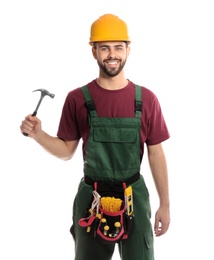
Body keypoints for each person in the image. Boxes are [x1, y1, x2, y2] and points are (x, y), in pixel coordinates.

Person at [20, 13, 170, 260]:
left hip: (134, 196)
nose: (112, 54)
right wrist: (38, 135)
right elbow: (66, 150)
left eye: (118, 47)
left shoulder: (147, 100)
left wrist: (165, 204)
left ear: (128, 50)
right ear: (94, 51)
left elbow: (156, 152)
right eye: (105, 48)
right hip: (92, 199)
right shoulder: (78, 99)